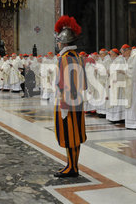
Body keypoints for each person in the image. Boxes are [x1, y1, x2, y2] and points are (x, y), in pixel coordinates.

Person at [53, 15, 87, 178]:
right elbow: (84, 82)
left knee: (69, 135)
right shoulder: (78, 57)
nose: (58, 44)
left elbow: (63, 83)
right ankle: (72, 165)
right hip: (78, 101)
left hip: (67, 102)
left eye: (59, 41)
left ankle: (72, 167)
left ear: (64, 43)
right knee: (76, 135)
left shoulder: (65, 58)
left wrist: (64, 105)